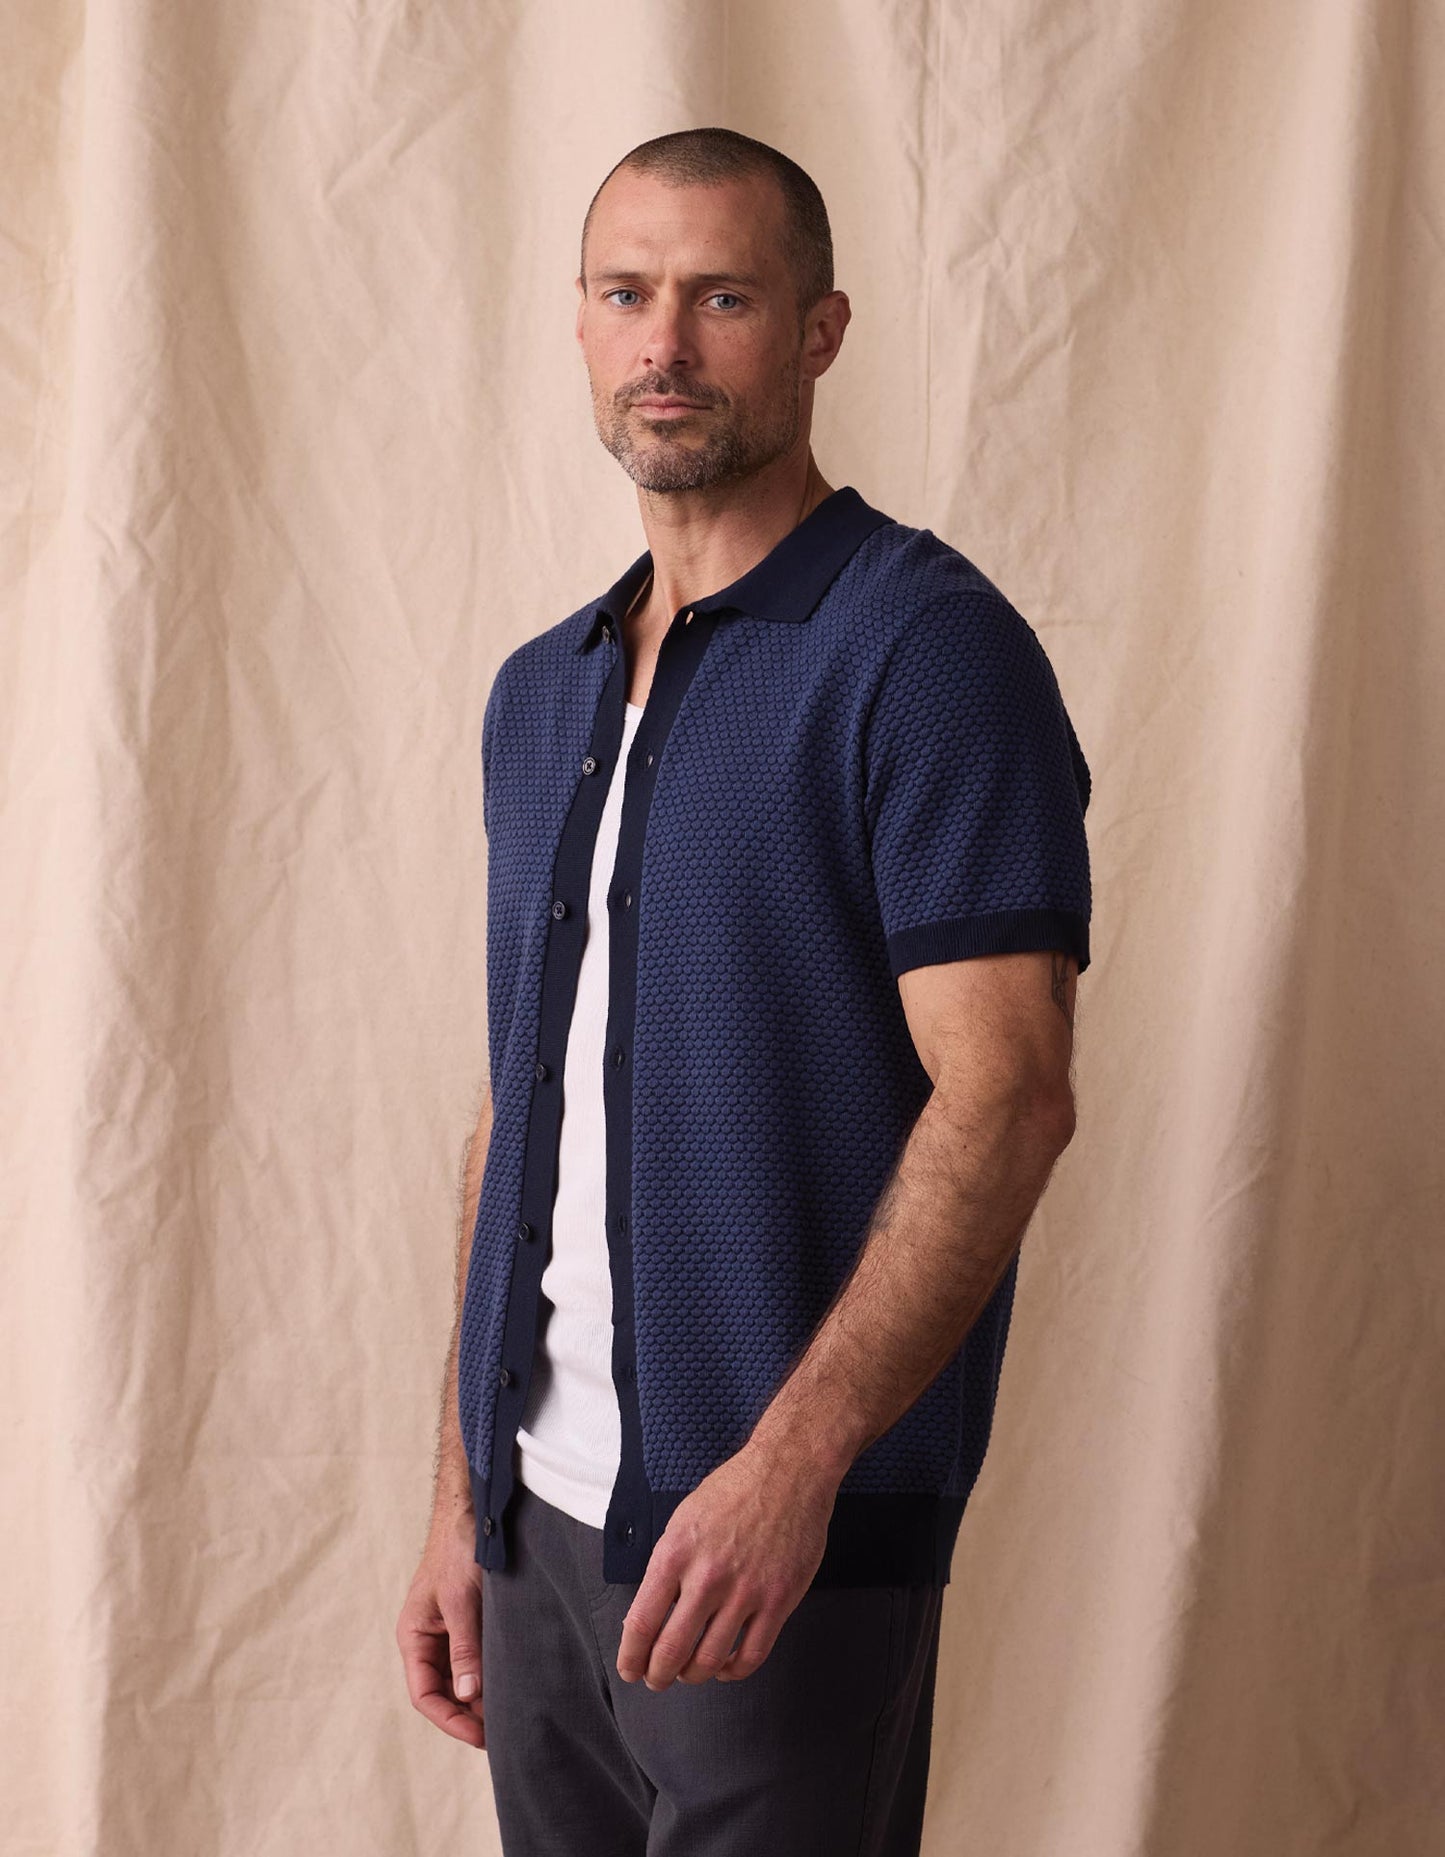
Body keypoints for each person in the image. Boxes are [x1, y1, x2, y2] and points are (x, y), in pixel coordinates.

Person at [397, 126, 1093, 1855]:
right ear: (577, 323)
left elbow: (1008, 1093)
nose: (665, 344)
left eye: (721, 297)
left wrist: (793, 1470)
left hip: (770, 1547)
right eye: (625, 294)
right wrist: (460, 1494)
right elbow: (518, 1102)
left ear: (818, 330)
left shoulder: (922, 650)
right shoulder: (539, 693)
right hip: (534, 1535)